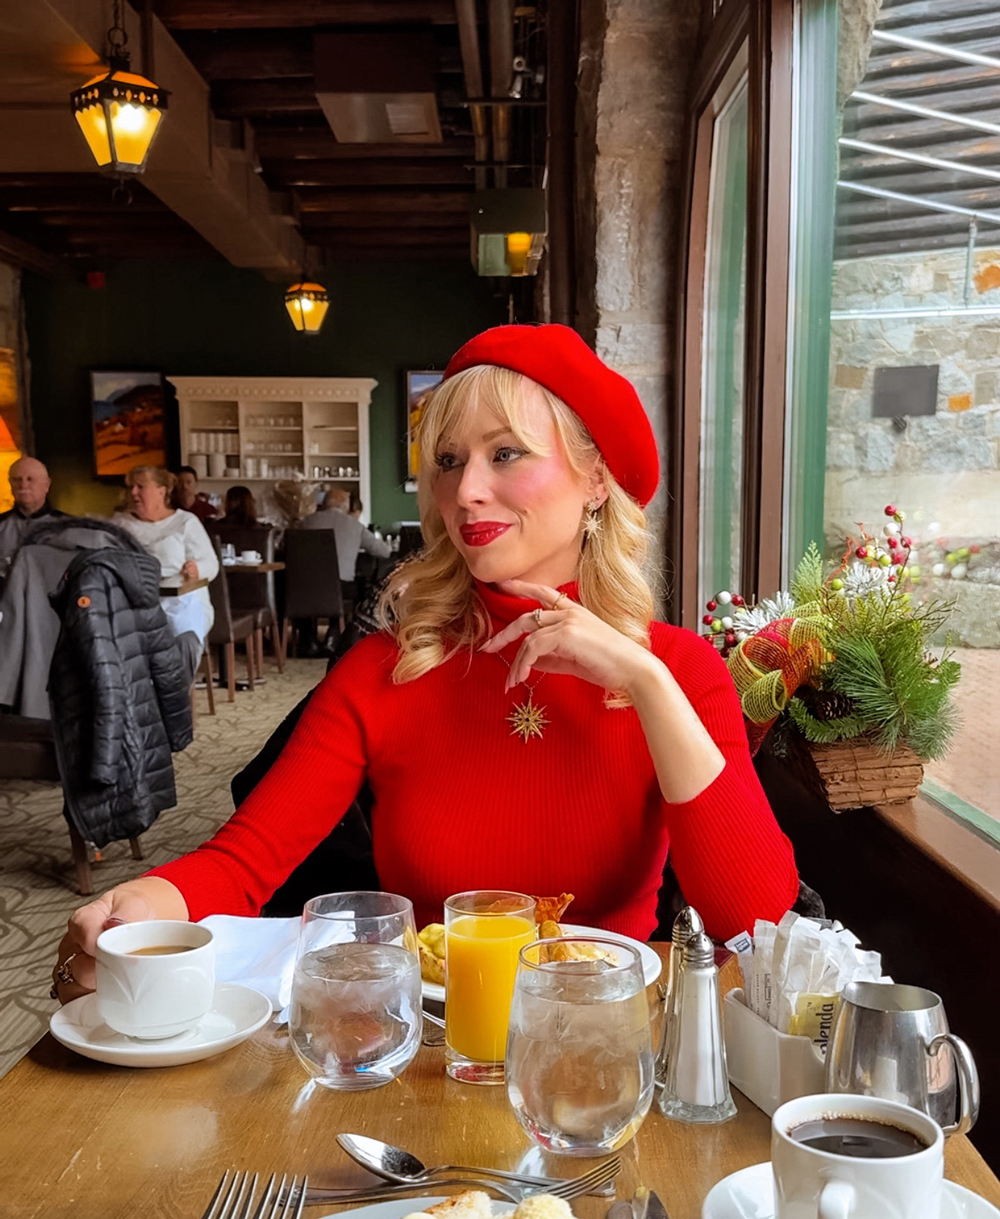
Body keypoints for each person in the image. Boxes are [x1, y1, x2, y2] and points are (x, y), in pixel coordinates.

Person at [54, 324, 799, 1002]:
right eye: (447, 462)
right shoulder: (386, 669)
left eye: (505, 453)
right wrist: (149, 899)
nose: (464, 491)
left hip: (600, 1050)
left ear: (596, 478)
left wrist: (645, 684)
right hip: (419, 1047)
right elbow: (248, 861)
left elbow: (755, 921)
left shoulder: (679, 670)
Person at [114, 465, 219, 682]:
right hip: (136, 605)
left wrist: (196, 568)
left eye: (141, 486)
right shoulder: (120, 525)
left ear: (161, 491)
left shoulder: (185, 522)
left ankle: (174, 703)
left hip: (183, 603)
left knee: (185, 641)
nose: (133, 492)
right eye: (131, 487)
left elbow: (211, 563)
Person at [296, 487, 390, 583]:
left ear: (324, 503)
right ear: (346, 505)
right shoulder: (355, 526)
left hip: (307, 585)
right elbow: (384, 552)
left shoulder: (305, 522)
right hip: (343, 588)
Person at [0, 456, 67, 566]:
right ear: (10, 483)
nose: (23, 485)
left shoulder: (68, 528)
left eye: (30, 479)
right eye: (17, 479)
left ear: (47, 484)